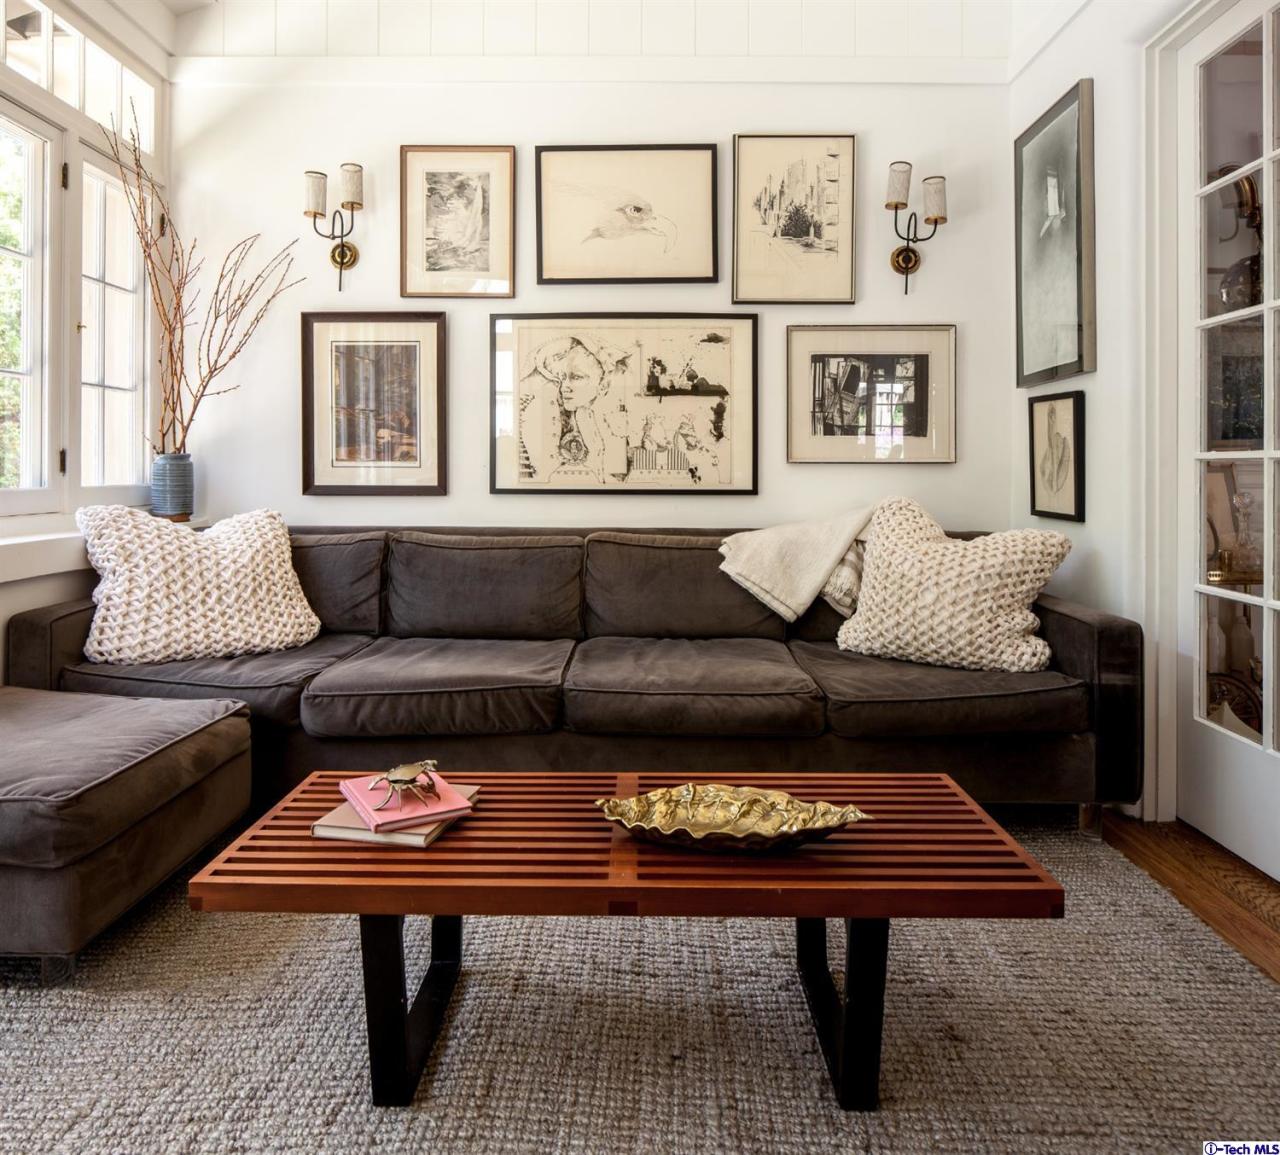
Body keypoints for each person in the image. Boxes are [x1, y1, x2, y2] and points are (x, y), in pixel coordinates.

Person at [519, 334, 630, 484]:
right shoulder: (542, 415)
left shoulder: (600, 417)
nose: (564, 387)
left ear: (603, 386)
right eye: (562, 378)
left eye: (576, 377)